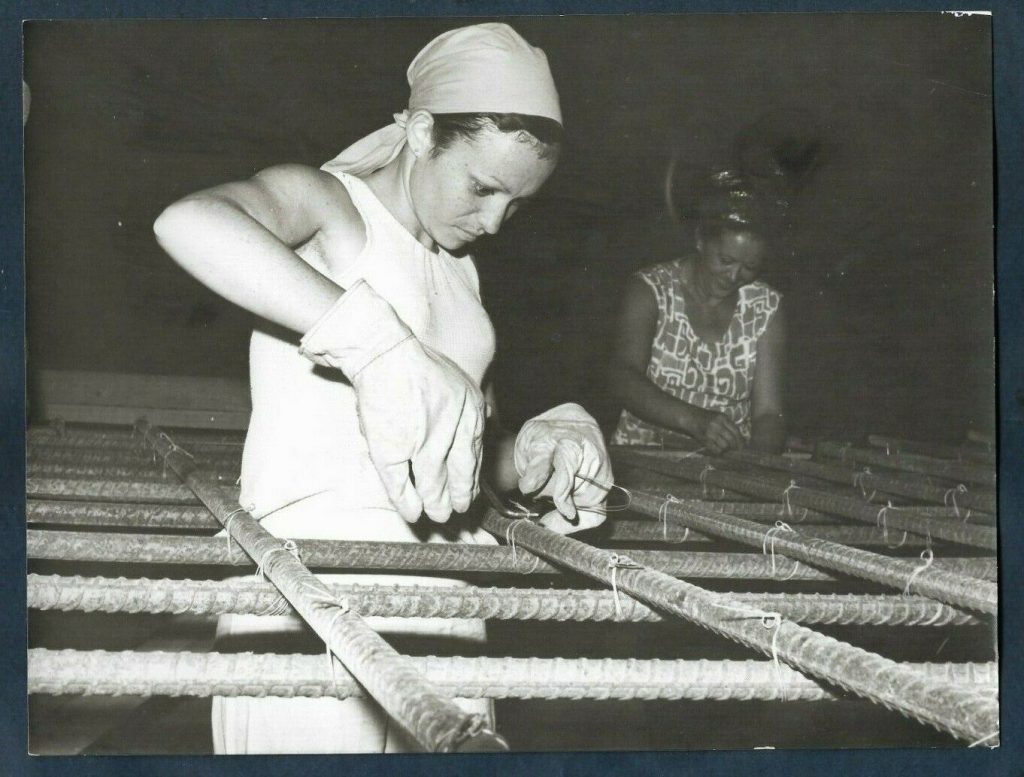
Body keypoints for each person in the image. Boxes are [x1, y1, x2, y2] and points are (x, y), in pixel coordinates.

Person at [153, 23, 611, 754]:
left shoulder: (462, 271)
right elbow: (189, 221)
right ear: (424, 133)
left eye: (516, 204)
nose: (494, 221)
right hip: (316, 593)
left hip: (445, 597)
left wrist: (529, 454)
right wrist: (374, 343)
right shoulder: (331, 206)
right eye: (483, 187)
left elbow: (446, 467)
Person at [609, 170, 786, 454]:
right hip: (642, 458)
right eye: (726, 260)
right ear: (701, 241)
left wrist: (755, 463)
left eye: (749, 267)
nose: (734, 275)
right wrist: (694, 420)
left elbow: (768, 412)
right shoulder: (651, 289)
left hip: (726, 468)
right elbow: (623, 377)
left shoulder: (765, 307)